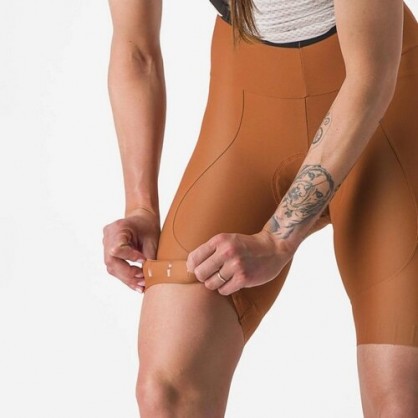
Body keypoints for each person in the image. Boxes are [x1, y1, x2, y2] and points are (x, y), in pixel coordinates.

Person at [102, 0, 418, 416]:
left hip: (382, 106)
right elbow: (136, 50)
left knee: (401, 403)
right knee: (167, 393)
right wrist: (141, 206)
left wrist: (277, 239)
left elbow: (370, 78)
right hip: (248, 104)